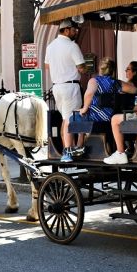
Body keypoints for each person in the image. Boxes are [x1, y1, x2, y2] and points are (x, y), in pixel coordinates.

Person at [44, 18, 86, 163]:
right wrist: (81, 69)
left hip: (57, 87)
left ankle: (70, 148)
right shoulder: (72, 46)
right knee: (70, 119)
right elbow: (81, 67)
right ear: (66, 30)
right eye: (74, 30)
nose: (76, 32)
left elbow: (47, 66)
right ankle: (67, 151)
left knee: (65, 119)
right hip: (70, 86)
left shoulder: (50, 46)